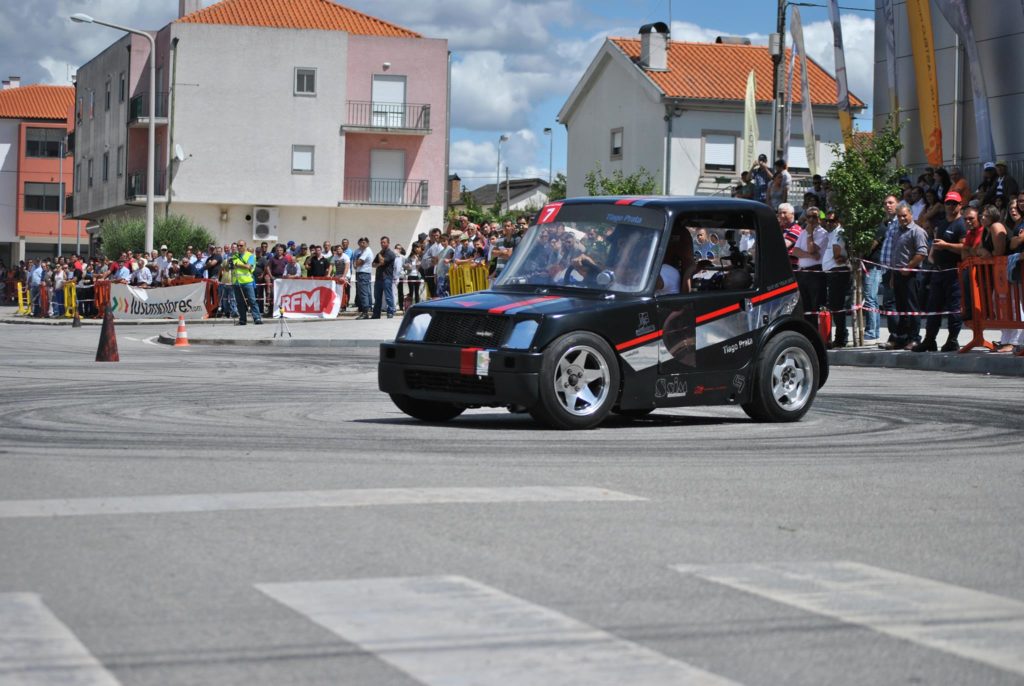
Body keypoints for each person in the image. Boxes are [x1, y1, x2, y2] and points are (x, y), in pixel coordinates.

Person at [914, 191, 966, 352]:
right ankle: (930, 339)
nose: (950, 206)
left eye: (954, 203)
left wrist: (946, 246)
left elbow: (965, 249)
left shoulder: (962, 224)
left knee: (953, 307)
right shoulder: (942, 224)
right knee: (933, 307)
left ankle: (952, 340)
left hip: (954, 272)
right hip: (938, 271)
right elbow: (935, 244)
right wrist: (933, 255)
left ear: (960, 205)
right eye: (948, 203)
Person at [880, 203, 928, 350]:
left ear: (911, 215)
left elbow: (922, 253)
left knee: (912, 308)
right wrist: (894, 275)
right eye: (899, 216)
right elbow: (895, 255)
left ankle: (914, 338)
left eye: (904, 215)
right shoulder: (897, 232)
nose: (902, 218)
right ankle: (901, 338)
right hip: (898, 274)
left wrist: (909, 267)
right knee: (901, 308)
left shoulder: (917, 231)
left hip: (911, 275)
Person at [866, 195, 900, 343]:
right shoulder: (886, 223)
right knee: (886, 303)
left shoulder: (898, 223)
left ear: (897, 204)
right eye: (885, 203)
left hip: (892, 268)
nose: (888, 205)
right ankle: (890, 334)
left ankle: (877, 331)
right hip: (884, 267)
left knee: (877, 299)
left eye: (891, 203)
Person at [792, 207, 827, 322]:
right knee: (805, 304)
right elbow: (795, 251)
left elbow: (812, 249)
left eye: (814, 216)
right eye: (809, 217)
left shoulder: (822, 233)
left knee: (815, 304)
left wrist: (810, 234)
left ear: (819, 218)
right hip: (802, 272)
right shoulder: (803, 232)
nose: (811, 219)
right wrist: (810, 255)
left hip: (815, 272)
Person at [822, 211, 850, 347]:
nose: (828, 223)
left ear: (838, 221)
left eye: (831, 221)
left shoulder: (839, 232)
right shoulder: (831, 233)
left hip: (838, 272)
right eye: (827, 221)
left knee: (837, 306)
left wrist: (839, 258)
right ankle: (839, 336)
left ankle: (841, 337)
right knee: (834, 306)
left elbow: (837, 255)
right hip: (832, 273)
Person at [229, 240, 262, 325]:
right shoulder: (234, 256)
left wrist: (237, 264)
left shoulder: (251, 256)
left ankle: (257, 318)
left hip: (247, 282)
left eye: (241, 245)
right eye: (238, 246)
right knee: (239, 302)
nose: (239, 247)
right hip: (236, 282)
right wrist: (233, 264)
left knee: (252, 301)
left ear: (245, 246)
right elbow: (231, 266)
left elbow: (248, 266)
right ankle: (242, 320)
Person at [353, 237, 374, 319]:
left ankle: (365, 312)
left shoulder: (367, 251)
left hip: (364, 273)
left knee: (364, 293)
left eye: (364, 242)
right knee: (362, 293)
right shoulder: (358, 251)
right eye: (361, 242)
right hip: (359, 273)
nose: (362, 244)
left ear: (368, 243)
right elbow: (355, 262)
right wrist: (356, 263)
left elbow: (359, 262)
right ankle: (364, 310)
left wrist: (356, 263)